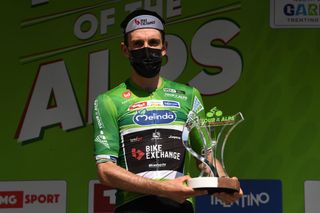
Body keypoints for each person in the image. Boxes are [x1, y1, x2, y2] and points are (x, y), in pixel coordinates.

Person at [92, 9, 243, 212]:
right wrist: (162, 188)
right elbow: (106, 170)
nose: (146, 49)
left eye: (153, 42)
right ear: (125, 50)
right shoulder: (108, 100)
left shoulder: (188, 95)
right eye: (138, 43)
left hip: (179, 207)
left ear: (164, 48)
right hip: (134, 206)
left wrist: (221, 181)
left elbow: (205, 155)